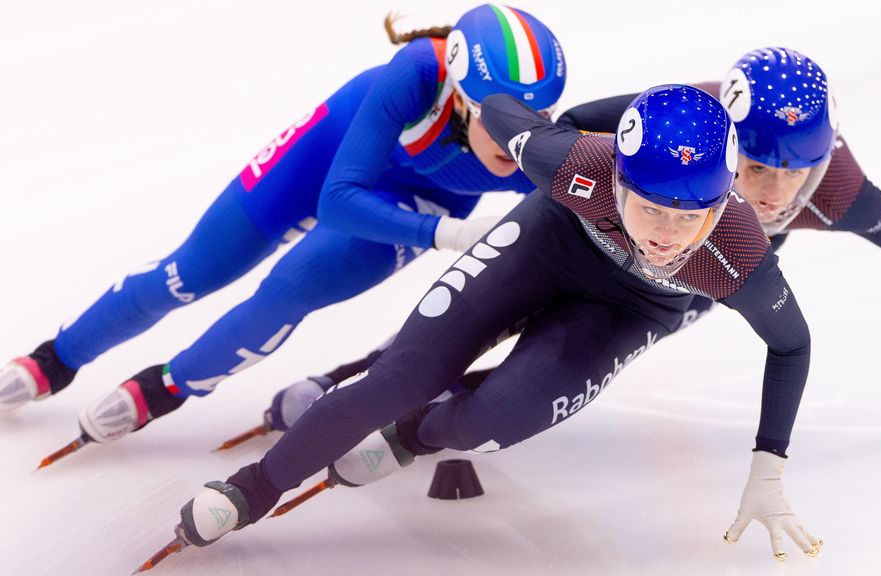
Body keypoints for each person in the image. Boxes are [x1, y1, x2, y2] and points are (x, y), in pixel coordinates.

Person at [164, 84, 821, 561]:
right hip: (550, 240)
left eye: (691, 218)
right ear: (615, 178)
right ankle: (252, 489)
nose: (666, 237)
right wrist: (592, 118)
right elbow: (504, 110)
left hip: (630, 309)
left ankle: (412, 437)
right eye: (650, 210)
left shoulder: (737, 255)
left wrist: (769, 466)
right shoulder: (575, 167)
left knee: (489, 425)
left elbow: (793, 346)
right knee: (400, 378)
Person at [264, 46, 881, 450]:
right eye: (753, 169)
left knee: (541, 365)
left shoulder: (835, 190)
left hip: (667, 286)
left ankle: (434, 419)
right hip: (577, 229)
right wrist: (559, 181)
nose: (772, 195)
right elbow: (575, 127)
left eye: (794, 174)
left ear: (822, 162)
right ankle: (352, 381)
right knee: (473, 315)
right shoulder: (688, 121)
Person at [0, 5, 567, 449]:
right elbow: (340, 199)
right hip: (329, 161)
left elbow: (598, 201)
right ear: (461, 97)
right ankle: (55, 358)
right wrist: (446, 236)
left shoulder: (527, 150)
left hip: (418, 196)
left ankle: (163, 387)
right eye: (501, 115)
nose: (519, 132)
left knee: (287, 291)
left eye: (537, 115)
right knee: (189, 271)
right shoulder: (416, 74)